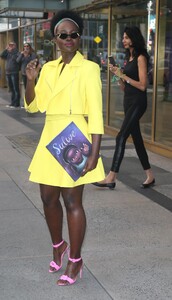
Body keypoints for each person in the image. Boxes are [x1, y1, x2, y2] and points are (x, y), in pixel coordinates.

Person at [24, 9, 105, 286]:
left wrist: (95, 152)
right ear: (55, 39)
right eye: (63, 35)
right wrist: (31, 80)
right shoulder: (47, 68)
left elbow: (96, 113)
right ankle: (58, 245)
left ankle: (75, 260)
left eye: (74, 35)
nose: (69, 39)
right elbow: (35, 106)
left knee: (72, 202)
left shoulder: (89, 68)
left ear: (79, 37)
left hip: (74, 139)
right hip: (51, 137)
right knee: (48, 199)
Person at [93, 26, 155, 190]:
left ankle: (111, 177)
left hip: (138, 102)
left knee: (120, 137)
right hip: (128, 101)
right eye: (123, 37)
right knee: (138, 140)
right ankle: (150, 175)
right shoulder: (130, 58)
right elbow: (124, 87)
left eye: (126, 37)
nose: (123, 40)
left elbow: (143, 86)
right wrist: (117, 75)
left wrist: (123, 75)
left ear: (133, 39)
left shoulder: (141, 58)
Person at [0, 41, 20, 107]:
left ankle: (16, 103)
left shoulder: (17, 52)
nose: (11, 46)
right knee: (11, 88)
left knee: (15, 88)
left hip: (14, 72)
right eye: (10, 45)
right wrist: (6, 49)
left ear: (15, 45)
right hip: (8, 73)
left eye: (12, 45)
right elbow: (2, 55)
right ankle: (12, 102)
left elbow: (17, 60)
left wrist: (13, 50)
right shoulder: (8, 52)